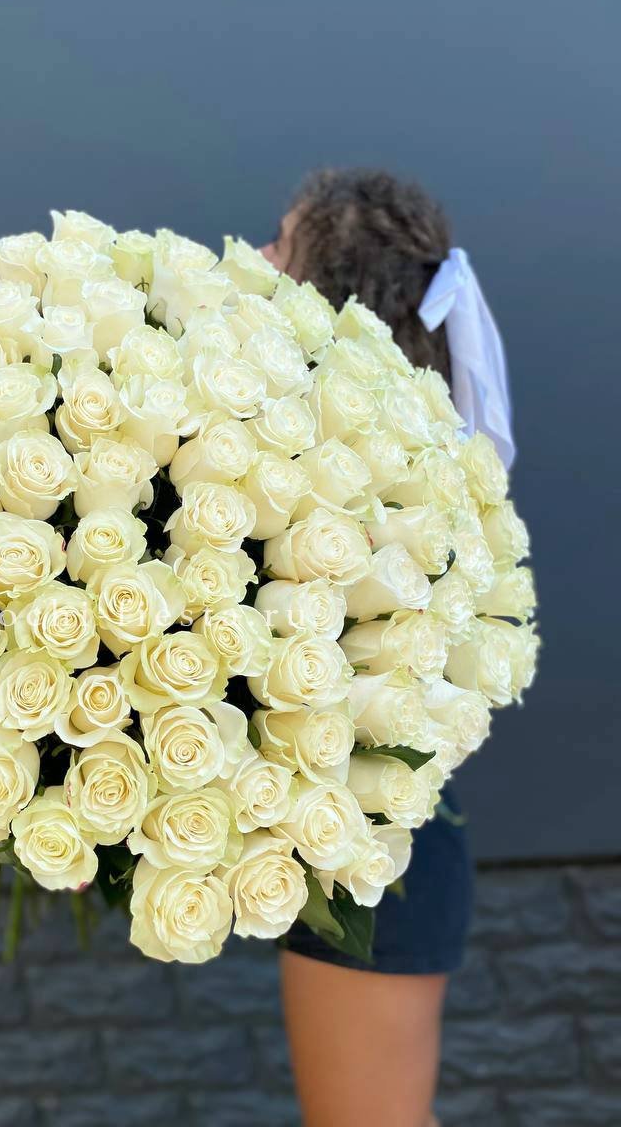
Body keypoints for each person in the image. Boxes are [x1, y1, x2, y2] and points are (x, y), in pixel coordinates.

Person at [260, 167, 513, 1127]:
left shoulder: (383, 496)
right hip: (365, 853)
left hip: (378, 864)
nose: (258, 254)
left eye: (281, 242)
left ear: (326, 289)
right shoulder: (366, 463)